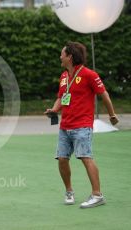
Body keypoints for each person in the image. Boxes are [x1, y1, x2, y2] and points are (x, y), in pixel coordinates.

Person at [45, 41, 119, 209]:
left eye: (62, 54)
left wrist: (112, 115)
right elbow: (61, 96)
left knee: (85, 157)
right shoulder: (64, 76)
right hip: (65, 125)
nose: (60, 57)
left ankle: (97, 195)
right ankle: (69, 191)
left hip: (82, 125)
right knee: (62, 159)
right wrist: (54, 109)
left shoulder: (89, 74)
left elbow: (104, 94)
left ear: (69, 57)